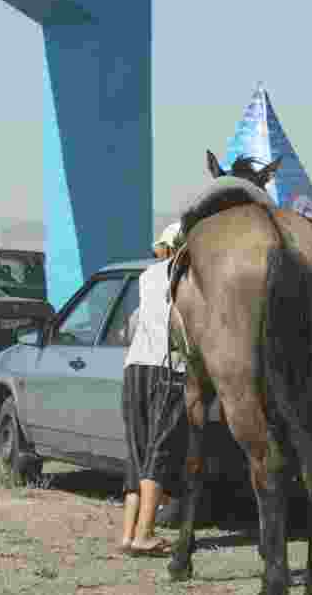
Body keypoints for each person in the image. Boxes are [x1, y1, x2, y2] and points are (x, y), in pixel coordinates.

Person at [116, 223, 188, 556]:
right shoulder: (186, 275)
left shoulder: (147, 276)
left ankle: (128, 534)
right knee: (160, 451)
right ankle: (146, 534)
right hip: (168, 368)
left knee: (138, 451)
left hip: (134, 368)